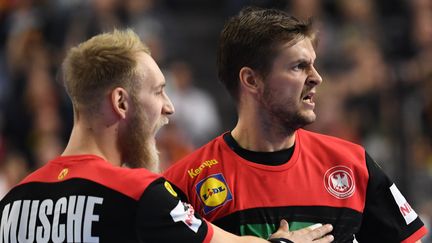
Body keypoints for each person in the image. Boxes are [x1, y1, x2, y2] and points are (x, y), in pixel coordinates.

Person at [0, 29, 334, 243]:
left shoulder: (11, 204)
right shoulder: (138, 194)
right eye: (159, 91)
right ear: (120, 102)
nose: (169, 107)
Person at [163, 7, 428, 243]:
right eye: (299, 67)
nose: (317, 78)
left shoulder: (353, 164)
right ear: (251, 80)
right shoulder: (185, 182)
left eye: (313, 65)